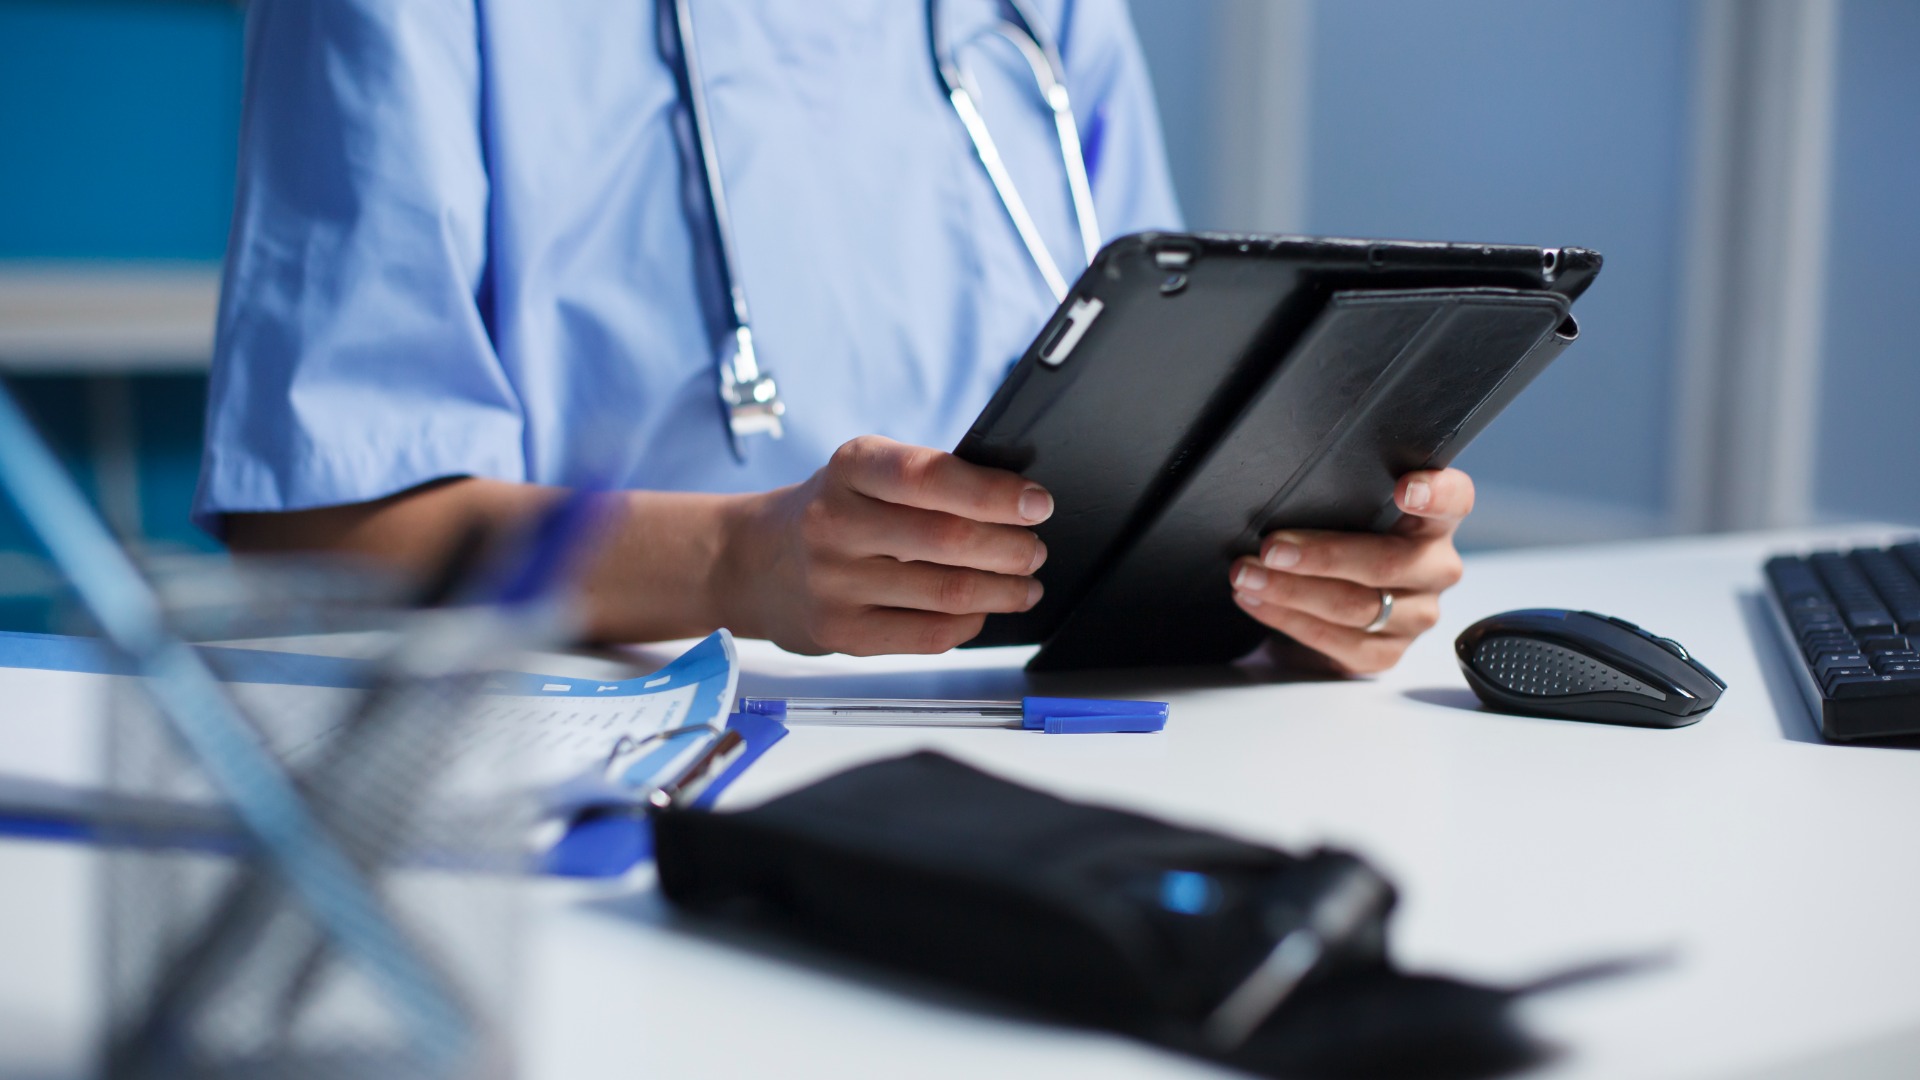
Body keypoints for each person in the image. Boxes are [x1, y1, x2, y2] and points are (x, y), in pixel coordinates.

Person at [197, 0, 1474, 674]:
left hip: (1052, 736)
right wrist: (729, 564)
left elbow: (1173, 399)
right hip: (627, 771)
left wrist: (1298, 577)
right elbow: (318, 517)